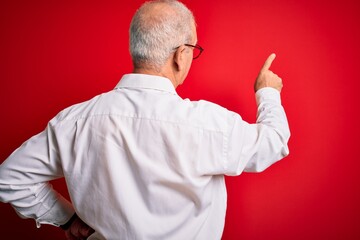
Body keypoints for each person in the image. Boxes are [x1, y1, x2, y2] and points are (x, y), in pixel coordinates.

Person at [0, 0, 290, 239]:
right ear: (181, 55)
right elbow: (274, 142)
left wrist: (67, 220)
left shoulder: (75, 121)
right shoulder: (207, 123)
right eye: (193, 50)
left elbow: (9, 179)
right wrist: (267, 91)